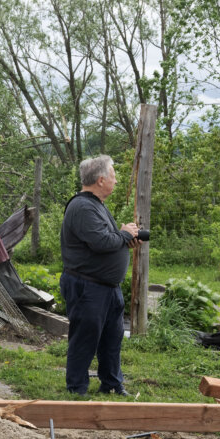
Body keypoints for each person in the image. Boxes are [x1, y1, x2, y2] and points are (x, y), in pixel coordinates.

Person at [59, 155, 141, 396]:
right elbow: (101, 242)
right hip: (88, 286)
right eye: (114, 176)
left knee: (111, 340)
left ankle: (112, 384)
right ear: (101, 180)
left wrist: (123, 239)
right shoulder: (83, 206)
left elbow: (105, 241)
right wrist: (124, 234)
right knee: (85, 339)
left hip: (107, 287)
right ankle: (77, 388)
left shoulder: (95, 205)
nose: (116, 181)